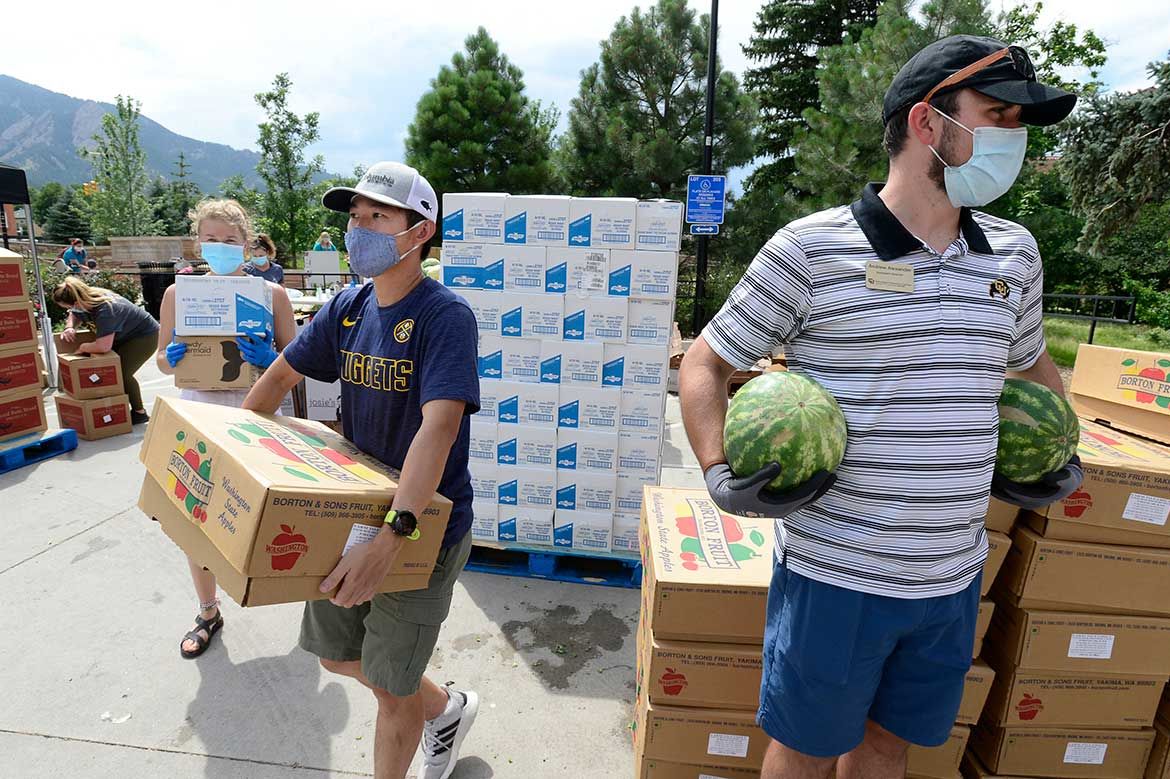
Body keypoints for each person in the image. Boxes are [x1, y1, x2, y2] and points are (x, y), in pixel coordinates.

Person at [678, 36, 1084, 779]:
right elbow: (707, 361)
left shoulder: (1015, 254)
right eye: (999, 116)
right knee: (805, 749)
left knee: (888, 747)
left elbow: (1031, 365)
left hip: (951, 574)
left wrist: (1061, 450)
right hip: (836, 575)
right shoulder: (810, 250)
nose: (1015, 139)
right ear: (930, 125)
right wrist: (715, 469)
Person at [242, 161, 480, 779]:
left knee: (389, 688)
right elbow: (275, 384)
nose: (359, 229)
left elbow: (440, 427)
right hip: (351, 512)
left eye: (378, 216)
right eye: (355, 216)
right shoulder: (347, 306)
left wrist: (393, 536)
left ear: (419, 231)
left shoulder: (443, 316)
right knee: (335, 656)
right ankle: (448, 707)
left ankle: (424, 717)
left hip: (422, 525)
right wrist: (240, 454)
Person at [154, 198, 297, 660]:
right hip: (199, 413)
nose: (219, 247)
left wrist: (269, 359)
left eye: (229, 241)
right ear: (198, 242)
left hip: (254, 412)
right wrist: (169, 358)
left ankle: (297, 598)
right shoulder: (178, 295)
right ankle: (207, 610)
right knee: (195, 517)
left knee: (262, 514)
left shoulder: (271, 295)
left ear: (247, 244)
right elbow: (159, 357)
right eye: (211, 240)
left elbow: (297, 359)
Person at [52, 276, 159, 425]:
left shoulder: (106, 309)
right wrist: (69, 327)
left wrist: (83, 347)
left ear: (77, 303)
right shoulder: (85, 299)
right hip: (121, 335)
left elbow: (103, 347)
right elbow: (74, 313)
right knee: (105, 369)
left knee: (120, 373)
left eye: (67, 307)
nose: (69, 311)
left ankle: (139, 413)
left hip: (144, 336)